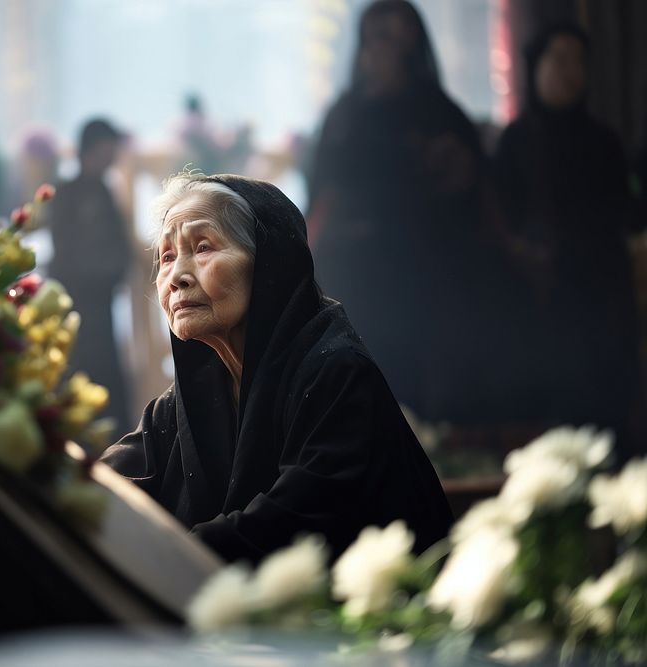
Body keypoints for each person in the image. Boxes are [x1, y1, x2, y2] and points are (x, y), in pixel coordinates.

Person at [100, 172, 453, 564]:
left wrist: (167, 556)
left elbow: (292, 524)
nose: (176, 277)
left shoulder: (336, 375)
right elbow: (101, 491)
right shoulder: (181, 404)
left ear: (270, 265)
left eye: (203, 247)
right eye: (166, 257)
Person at [304, 0, 490, 420]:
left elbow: (467, 192)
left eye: (394, 37)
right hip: (353, 275)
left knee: (424, 390)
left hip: (424, 275)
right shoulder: (344, 115)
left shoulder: (439, 113)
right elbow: (322, 197)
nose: (383, 49)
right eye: (377, 37)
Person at [493, 23, 643, 458]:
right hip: (541, 298)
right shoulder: (516, 141)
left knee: (609, 417)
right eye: (558, 59)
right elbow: (503, 220)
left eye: (579, 61)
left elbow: (627, 212)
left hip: (603, 296)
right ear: (535, 67)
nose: (570, 72)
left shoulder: (604, 140)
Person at [46, 118, 134, 431]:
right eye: (107, 151)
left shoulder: (104, 190)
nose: (112, 159)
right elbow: (66, 252)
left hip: (102, 301)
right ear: (91, 150)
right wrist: (104, 270)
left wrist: (117, 268)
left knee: (108, 375)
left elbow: (119, 244)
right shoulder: (66, 194)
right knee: (80, 371)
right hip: (78, 302)